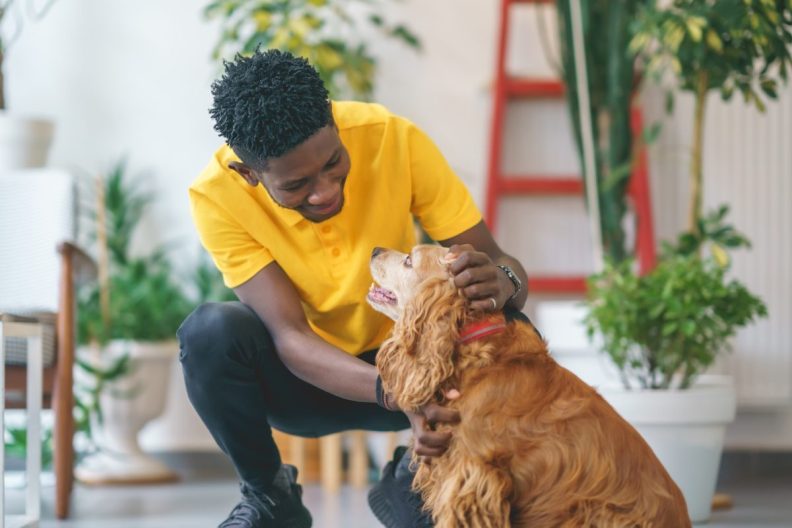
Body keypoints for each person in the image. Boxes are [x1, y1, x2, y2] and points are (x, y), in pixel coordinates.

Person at [178, 49, 529, 528]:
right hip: (310, 382)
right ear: (250, 174)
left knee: (510, 324)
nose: (324, 191)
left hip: (418, 363)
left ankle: (417, 478)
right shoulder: (216, 195)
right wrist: (400, 394)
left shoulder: (392, 138)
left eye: (333, 163)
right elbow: (290, 337)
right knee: (210, 332)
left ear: (337, 128)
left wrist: (502, 282)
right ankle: (270, 497)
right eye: (297, 185)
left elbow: (505, 265)